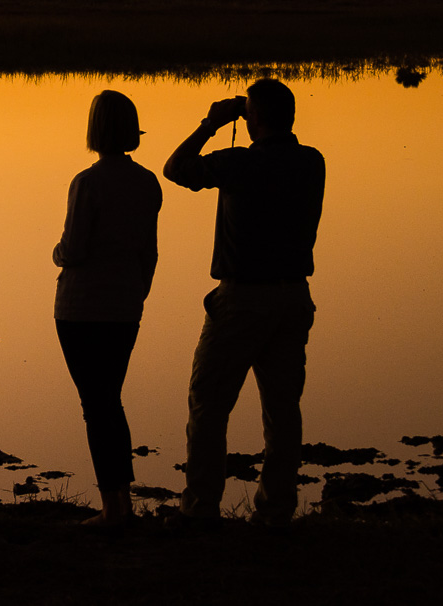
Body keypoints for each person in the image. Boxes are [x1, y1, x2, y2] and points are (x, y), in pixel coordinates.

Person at [163, 78, 325, 527]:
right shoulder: (312, 162)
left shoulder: (242, 164)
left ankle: (199, 509)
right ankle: (275, 510)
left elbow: (175, 168)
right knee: (282, 408)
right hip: (293, 297)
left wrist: (211, 123)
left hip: (242, 300)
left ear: (252, 118)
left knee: (209, 404)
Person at [53, 89, 162, 527]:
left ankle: (113, 508)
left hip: (81, 308)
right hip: (124, 305)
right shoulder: (147, 181)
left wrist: (56, 253)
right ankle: (121, 501)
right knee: (108, 401)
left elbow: (75, 249)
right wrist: (138, 293)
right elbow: (148, 252)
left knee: (96, 405)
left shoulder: (88, 182)